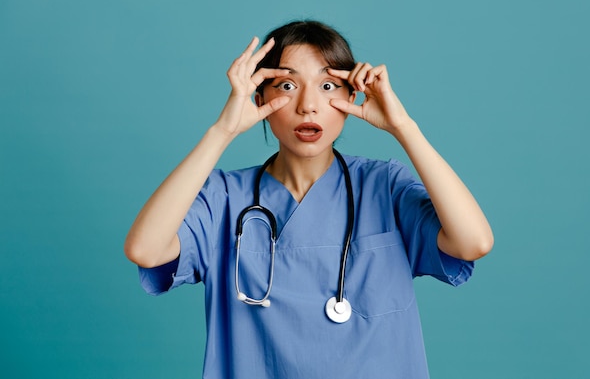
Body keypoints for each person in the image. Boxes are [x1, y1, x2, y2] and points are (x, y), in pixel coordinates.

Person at [124, 20, 493, 379]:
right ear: (259, 99)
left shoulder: (384, 186)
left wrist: (404, 128)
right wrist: (222, 131)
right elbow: (146, 250)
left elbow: (473, 242)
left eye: (329, 86)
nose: (308, 105)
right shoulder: (223, 199)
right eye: (286, 84)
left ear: (353, 97)